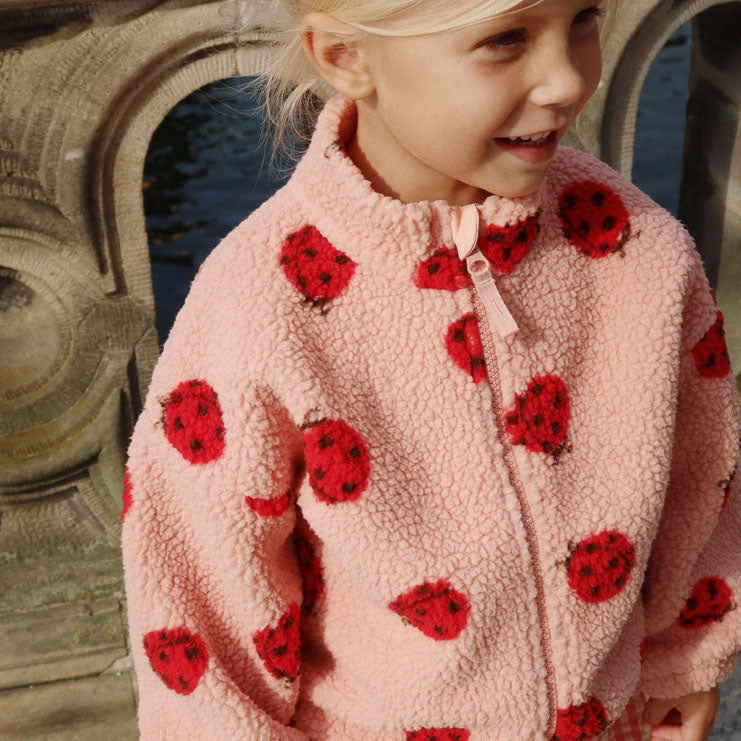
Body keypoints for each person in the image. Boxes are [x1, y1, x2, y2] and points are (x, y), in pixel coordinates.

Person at [120, 0, 741, 739]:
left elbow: (705, 479)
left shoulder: (638, 251)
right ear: (346, 57)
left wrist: (685, 658)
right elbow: (200, 609)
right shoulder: (258, 309)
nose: (568, 80)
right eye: (505, 38)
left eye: (583, 16)